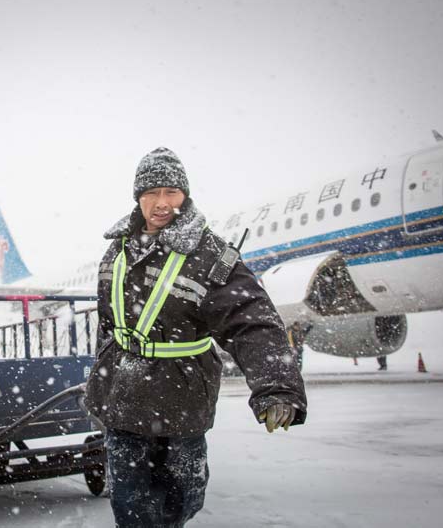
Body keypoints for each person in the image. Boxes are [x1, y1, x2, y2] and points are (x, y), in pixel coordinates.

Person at [84, 147, 308, 527]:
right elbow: (109, 325)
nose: (161, 203)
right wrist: (102, 377)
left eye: (171, 192)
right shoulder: (116, 252)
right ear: (137, 198)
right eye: (151, 193)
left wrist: (276, 387)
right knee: (130, 506)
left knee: (183, 497)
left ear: (185, 195)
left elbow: (252, 321)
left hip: (181, 398)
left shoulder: (211, 255)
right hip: (122, 397)